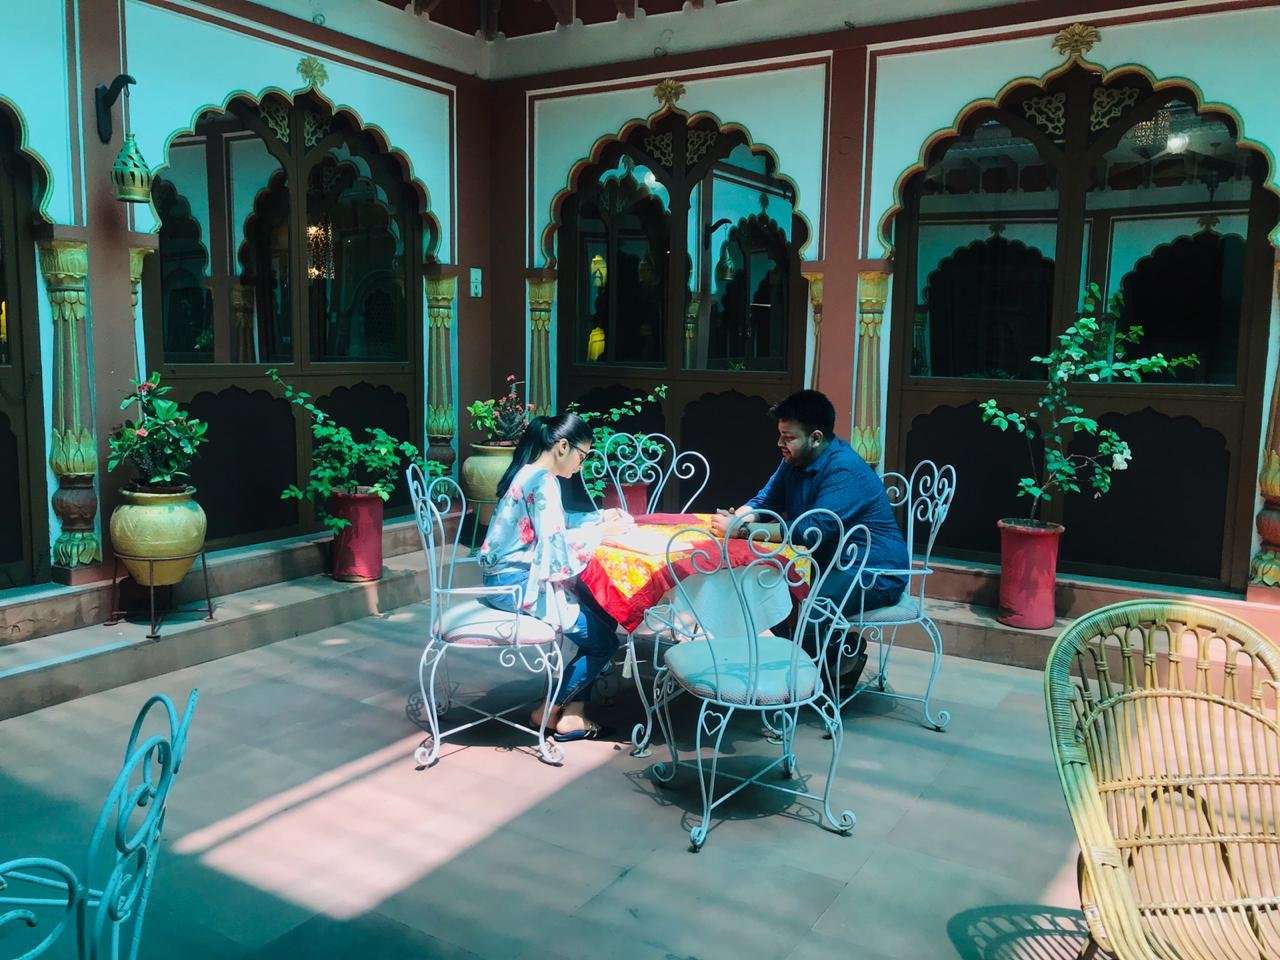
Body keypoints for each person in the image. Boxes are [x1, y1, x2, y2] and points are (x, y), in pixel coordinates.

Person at [710, 390, 909, 681]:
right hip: (829, 563)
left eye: (788, 437)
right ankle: (830, 659)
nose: (780, 444)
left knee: (815, 610)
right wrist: (738, 517)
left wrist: (741, 531)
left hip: (874, 570)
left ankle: (811, 687)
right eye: (780, 435)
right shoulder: (794, 460)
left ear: (816, 438)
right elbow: (765, 500)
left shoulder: (844, 469)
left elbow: (810, 530)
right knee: (770, 589)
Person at [477, 412, 629, 741]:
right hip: (515, 586)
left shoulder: (529, 473)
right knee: (604, 642)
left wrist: (598, 519)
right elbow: (554, 548)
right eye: (582, 456)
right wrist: (601, 531)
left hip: (505, 579)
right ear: (562, 447)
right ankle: (548, 710)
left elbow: (555, 524)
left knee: (600, 613)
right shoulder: (544, 482)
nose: (581, 464)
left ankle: (574, 716)